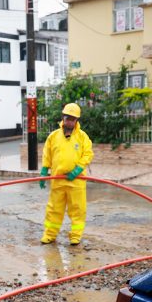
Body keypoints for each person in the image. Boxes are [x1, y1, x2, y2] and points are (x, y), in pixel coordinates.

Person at [39, 102, 94, 246]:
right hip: (58, 179)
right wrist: (45, 170)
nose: (69, 121)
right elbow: (47, 154)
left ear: (76, 120)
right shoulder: (53, 136)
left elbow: (88, 154)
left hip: (76, 181)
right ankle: (50, 234)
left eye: (73, 119)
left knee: (77, 210)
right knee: (54, 209)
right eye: (67, 118)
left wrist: (77, 169)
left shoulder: (82, 137)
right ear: (63, 118)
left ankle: (75, 236)